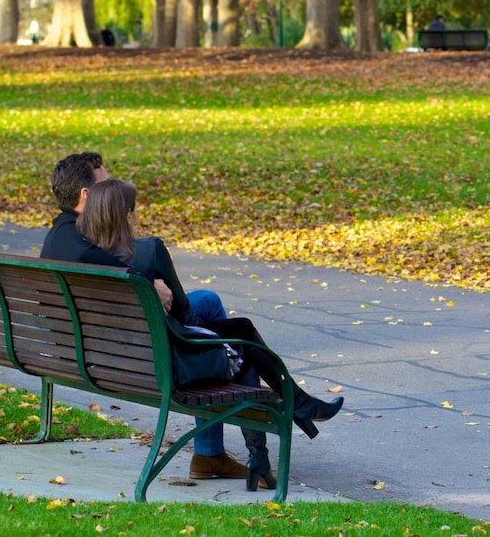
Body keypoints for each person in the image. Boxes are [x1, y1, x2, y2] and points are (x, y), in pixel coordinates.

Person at [77, 179, 344, 491]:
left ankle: (289, 420)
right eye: (133, 211)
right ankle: (286, 423)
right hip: (174, 364)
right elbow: (186, 315)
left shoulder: (87, 260)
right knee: (244, 346)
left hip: (126, 365)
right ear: (126, 216)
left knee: (241, 331)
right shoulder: (148, 251)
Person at [41, 152, 236, 480]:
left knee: (205, 303)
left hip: (87, 349)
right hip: (125, 355)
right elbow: (142, 291)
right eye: (108, 186)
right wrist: (152, 284)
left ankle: (212, 443)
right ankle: (209, 450)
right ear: (87, 195)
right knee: (209, 309)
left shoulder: (59, 237)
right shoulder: (84, 249)